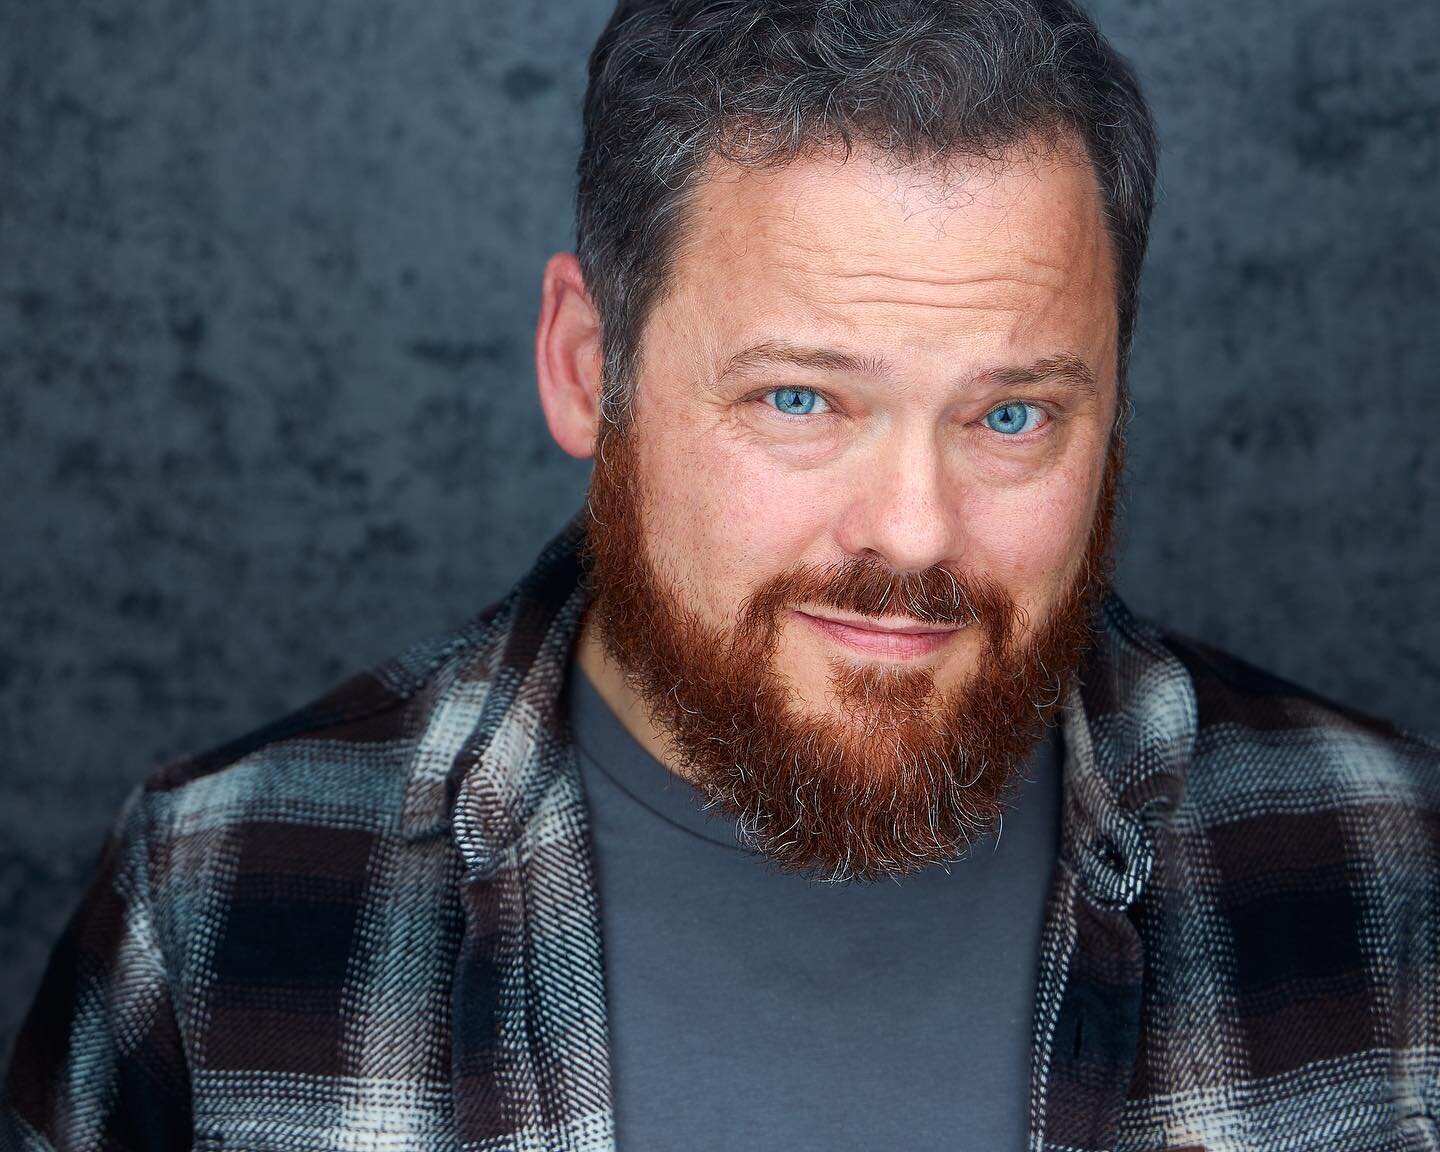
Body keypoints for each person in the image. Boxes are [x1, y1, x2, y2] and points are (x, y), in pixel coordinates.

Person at [5, 0, 1438, 1148]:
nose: (915, 533)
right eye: (801, 401)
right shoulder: (218, 907)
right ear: (586, 365)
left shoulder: (1389, 874)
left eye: (1013, 416)